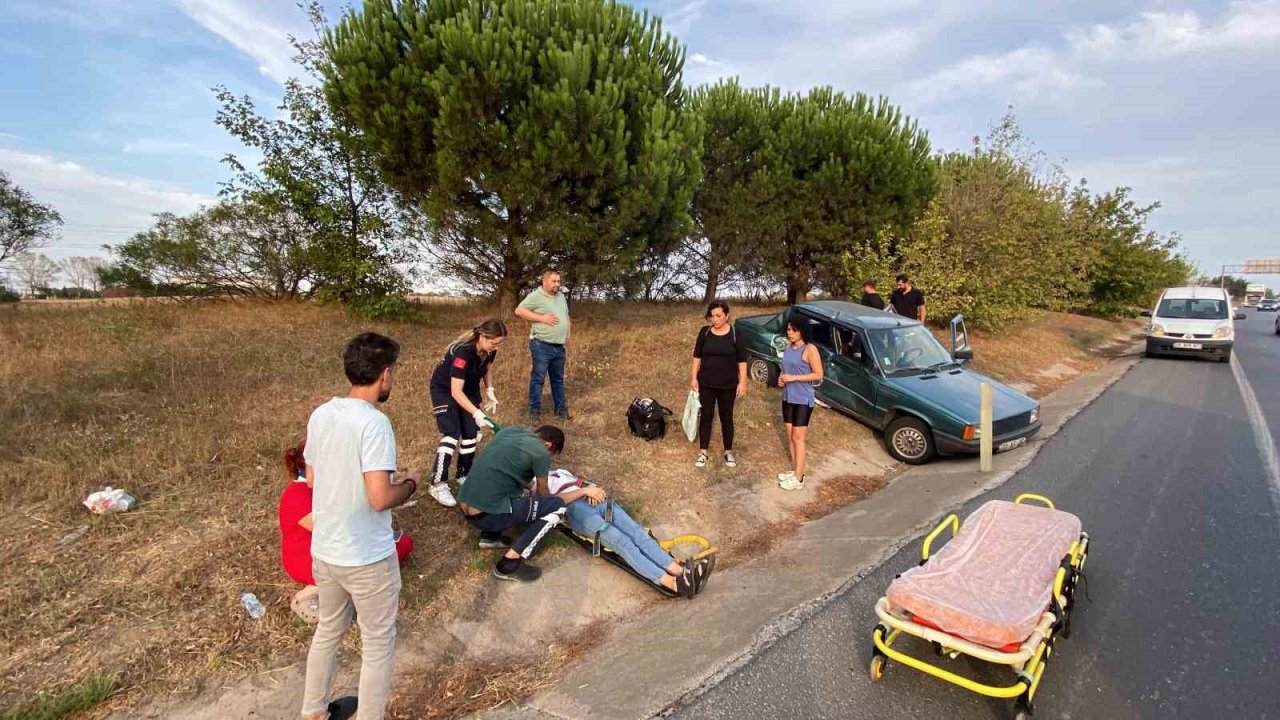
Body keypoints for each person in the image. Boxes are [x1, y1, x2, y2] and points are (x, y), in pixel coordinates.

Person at [300, 333, 417, 720]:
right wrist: (411, 484)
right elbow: (380, 497)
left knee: (328, 632)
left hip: (326, 551)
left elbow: (313, 478)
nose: (392, 380)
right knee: (379, 643)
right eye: (392, 373)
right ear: (384, 374)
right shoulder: (375, 424)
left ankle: (313, 712)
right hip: (367, 556)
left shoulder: (321, 413)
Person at [279, 440, 412, 624]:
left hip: (330, 550)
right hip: (309, 558)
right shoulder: (297, 496)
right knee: (389, 551)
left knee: (401, 544)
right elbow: (332, 531)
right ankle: (311, 593)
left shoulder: (319, 487)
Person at [457, 425, 595, 582]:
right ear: (548, 445)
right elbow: (546, 496)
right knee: (557, 508)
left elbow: (510, 471)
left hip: (466, 506)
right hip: (486, 516)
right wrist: (584, 491)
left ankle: (490, 537)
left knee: (507, 489)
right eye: (552, 454)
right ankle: (509, 564)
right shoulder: (541, 452)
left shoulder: (510, 432)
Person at [548, 469, 710, 597]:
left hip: (595, 500)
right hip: (577, 510)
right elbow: (550, 502)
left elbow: (580, 482)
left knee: (638, 534)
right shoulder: (535, 483)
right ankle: (674, 583)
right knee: (623, 543)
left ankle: (681, 571)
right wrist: (583, 492)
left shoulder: (559, 471)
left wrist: (591, 488)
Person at [422, 319, 508, 507]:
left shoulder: (489, 351)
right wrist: (477, 413)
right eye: (493, 343)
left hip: (468, 390)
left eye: (499, 344)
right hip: (446, 390)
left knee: (471, 434)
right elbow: (455, 392)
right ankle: (437, 483)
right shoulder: (462, 353)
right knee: (452, 433)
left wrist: (490, 390)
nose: (496, 347)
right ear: (482, 336)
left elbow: (487, 369)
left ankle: (463, 474)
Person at [690, 300, 748, 469]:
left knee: (726, 417)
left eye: (718, 316)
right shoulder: (704, 332)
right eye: (712, 316)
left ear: (727, 316)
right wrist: (693, 378)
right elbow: (697, 357)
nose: (714, 319)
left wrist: (743, 382)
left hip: (728, 384)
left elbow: (742, 360)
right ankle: (703, 451)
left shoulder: (736, 334)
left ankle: (728, 451)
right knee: (706, 416)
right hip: (706, 383)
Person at [515, 269, 571, 419]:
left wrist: (567, 335)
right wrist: (541, 318)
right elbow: (519, 311)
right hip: (541, 345)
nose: (557, 284)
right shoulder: (535, 296)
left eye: (559, 281)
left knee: (558, 379)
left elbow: (565, 315)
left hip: (559, 346)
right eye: (554, 281)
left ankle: (561, 411)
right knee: (538, 378)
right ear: (544, 281)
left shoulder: (561, 297)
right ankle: (534, 412)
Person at [777, 318, 824, 491]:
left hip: (803, 398)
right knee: (790, 435)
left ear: (801, 331)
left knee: (798, 437)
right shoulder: (788, 348)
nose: (789, 332)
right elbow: (785, 369)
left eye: (793, 330)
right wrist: (781, 378)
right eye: (788, 329)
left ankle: (799, 477)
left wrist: (794, 378)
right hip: (788, 397)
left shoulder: (810, 349)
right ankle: (795, 469)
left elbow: (818, 374)